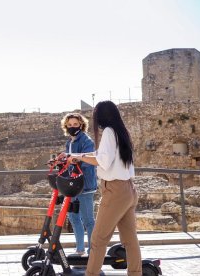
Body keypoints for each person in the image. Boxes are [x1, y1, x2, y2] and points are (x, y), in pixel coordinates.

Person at [66, 101, 142, 276]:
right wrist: (79, 156)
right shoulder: (121, 132)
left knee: (98, 239)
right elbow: (102, 155)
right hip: (128, 189)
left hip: (115, 191)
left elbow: (103, 161)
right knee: (130, 240)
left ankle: (91, 273)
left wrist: (82, 158)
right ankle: (136, 273)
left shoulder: (108, 132)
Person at [58, 112, 97, 255]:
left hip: (85, 186)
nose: (72, 127)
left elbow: (88, 162)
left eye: (75, 124)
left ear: (81, 125)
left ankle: (93, 250)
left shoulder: (86, 141)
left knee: (88, 220)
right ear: (65, 126)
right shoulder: (69, 142)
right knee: (74, 218)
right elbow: (70, 159)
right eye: (69, 125)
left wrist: (72, 161)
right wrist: (63, 158)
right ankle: (80, 249)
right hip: (72, 186)